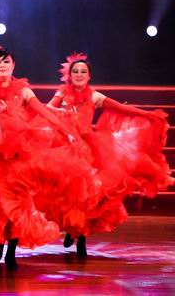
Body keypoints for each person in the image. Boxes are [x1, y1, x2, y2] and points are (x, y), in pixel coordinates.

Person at [0, 45, 94, 269]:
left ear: (13, 65)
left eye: (6, 61)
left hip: (19, 157)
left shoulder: (23, 90)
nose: (3, 65)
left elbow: (43, 111)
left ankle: (11, 250)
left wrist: (65, 131)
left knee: (19, 202)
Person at [47, 52, 173, 257]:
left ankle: (81, 237)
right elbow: (47, 109)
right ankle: (71, 228)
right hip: (65, 146)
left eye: (83, 72)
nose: (79, 75)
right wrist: (61, 112)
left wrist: (147, 115)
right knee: (67, 192)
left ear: (89, 76)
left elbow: (121, 108)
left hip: (89, 149)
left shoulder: (95, 96)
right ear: (69, 75)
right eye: (75, 71)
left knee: (88, 194)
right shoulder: (62, 94)